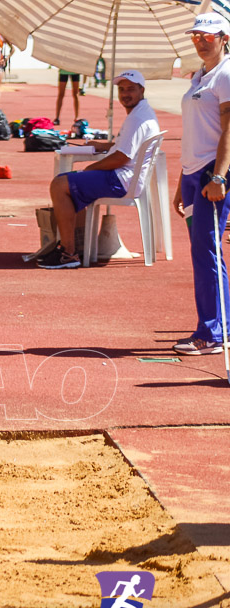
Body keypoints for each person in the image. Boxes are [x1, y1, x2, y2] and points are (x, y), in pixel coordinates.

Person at [41, 70, 159, 269]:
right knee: (71, 183)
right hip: (128, 178)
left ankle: (68, 253)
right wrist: (106, 146)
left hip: (121, 180)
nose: (125, 94)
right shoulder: (143, 112)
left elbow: (121, 158)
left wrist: (91, 168)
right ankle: (76, 247)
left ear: (141, 90)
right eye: (121, 90)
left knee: (60, 184)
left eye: (130, 89)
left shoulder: (136, 119)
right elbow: (125, 147)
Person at [173, 12, 230, 355]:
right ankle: (220, 323)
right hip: (194, 174)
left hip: (212, 173)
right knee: (206, 251)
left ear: (224, 38)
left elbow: (229, 130)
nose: (200, 40)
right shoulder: (200, 76)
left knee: (206, 250)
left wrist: (219, 176)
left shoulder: (225, 74)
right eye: (195, 35)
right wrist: (182, 181)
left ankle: (211, 333)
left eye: (207, 36)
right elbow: (193, 134)